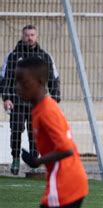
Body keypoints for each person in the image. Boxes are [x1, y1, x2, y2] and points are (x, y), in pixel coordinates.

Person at [16, 57, 87, 208]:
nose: (18, 87)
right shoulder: (41, 108)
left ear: (39, 82)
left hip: (65, 184)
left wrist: (38, 162)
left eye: (24, 82)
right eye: (16, 81)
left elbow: (65, 149)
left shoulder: (46, 110)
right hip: (69, 182)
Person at [0, 24, 60, 175]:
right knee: (16, 131)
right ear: (22, 35)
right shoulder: (13, 56)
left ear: (36, 36)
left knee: (36, 133)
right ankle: (15, 159)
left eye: (32, 35)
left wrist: (55, 97)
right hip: (17, 101)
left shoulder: (44, 56)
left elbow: (52, 77)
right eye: (27, 35)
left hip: (37, 104)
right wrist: (6, 98)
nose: (29, 38)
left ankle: (34, 161)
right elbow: (5, 78)